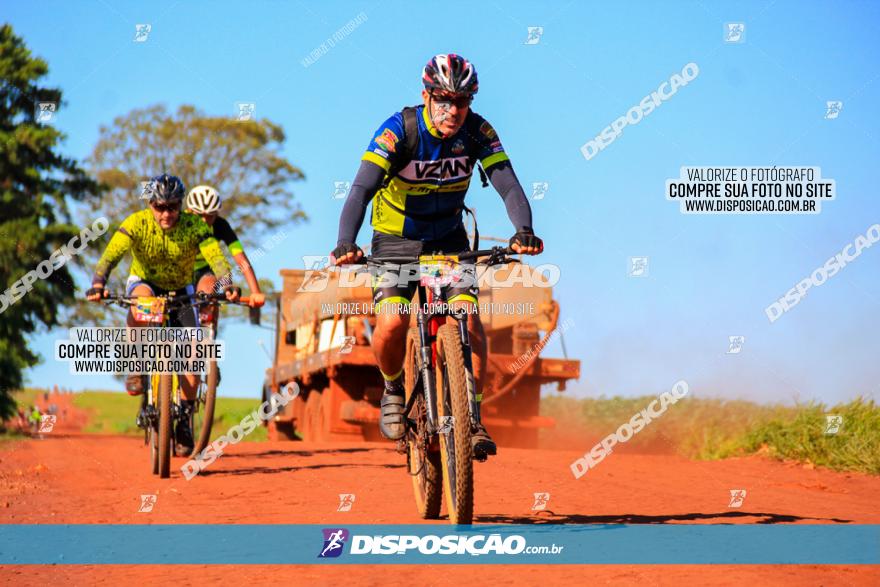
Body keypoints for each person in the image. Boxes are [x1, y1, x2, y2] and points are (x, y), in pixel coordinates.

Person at [330, 54, 543, 457]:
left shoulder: (479, 131)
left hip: (448, 239)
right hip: (395, 239)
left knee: (467, 322)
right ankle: (393, 389)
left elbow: (509, 186)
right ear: (426, 96)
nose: (453, 111)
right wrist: (345, 241)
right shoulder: (398, 131)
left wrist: (524, 232)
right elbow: (359, 191)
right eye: (444, 100)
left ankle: (472, 417)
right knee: (392, 322)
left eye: (461, 102)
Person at [86, 174, 240, 456]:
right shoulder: (137, 223)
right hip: (145, 282)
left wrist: (226, 285)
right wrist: (98, 284)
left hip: (182, 290)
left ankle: (182, 419)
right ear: (150, 205)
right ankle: (136, 365)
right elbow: (110, 255)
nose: (166, 213)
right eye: (159, 207)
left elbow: (217, 258)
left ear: (181, 205)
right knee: (141, 303)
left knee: (193, 361)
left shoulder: (194, 225)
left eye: (172, 207)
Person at [185, 185, 266, 324]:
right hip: (180, 271)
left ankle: (205, 337)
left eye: (210, 216)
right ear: (189, 211)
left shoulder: (221, 226)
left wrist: (255, 291)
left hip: (205, 271)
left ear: (216, 213)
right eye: (200, 215)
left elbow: (241, 259)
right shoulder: (179, 222)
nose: (204, 220)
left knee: (210, 292)